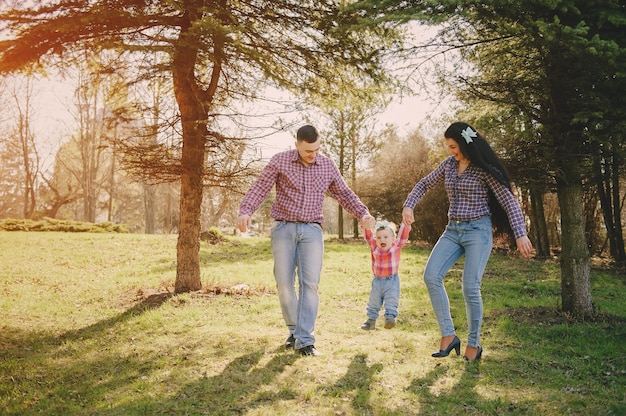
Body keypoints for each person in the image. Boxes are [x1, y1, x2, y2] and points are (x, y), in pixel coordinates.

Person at [237, 125, 376, 357]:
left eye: (316, 150)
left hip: (312, 230)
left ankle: (305, 339)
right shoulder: (280, 161)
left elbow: (343, 193)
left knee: (310, 284)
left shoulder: (326, 165)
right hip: (283, 228)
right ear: (297, 145)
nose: (313, 155)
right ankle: (294, 329)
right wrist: (246, 210)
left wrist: (363, 213)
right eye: (308, 151)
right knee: (283, 282)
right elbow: (260, 187)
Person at [402, 122, 533, 362]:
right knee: (431, 275)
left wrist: (520, 233)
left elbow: (508, 200)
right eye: (449, 147)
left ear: (464, 143)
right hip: (453, 230)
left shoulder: (484, 169)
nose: (451, 151)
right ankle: (448, 335)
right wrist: (409, 204)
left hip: (478, 232)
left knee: (470, 288)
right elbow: (424, 183)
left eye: (454, 146)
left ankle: (474, 344)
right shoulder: (449, 165)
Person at [361, 221, 411, 331]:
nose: (382, 240)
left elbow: (403, 236)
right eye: (378, 237)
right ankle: (371, 321)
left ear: (393, 238)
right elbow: (368, 236)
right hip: (377, 281)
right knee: (373, 301)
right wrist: (365, 225)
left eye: (385, 237)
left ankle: (390, 317)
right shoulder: (374, 246)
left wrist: (406, 224)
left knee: (391, 299)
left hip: (391, 280)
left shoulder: (396, 246)